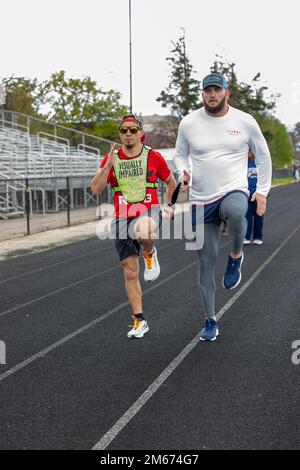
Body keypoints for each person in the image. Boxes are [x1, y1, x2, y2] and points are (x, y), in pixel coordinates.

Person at [174, 73, 272, 341]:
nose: (212, 95)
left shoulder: (244, 121)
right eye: (207, 91)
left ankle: (237, 256)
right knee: (205, 263)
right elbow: (180, 154)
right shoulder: (189, 122)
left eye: (217, 90)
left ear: (227, 92)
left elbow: (263, 156)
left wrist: (261, 191)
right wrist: (182, 171)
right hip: (200, 198)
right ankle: (210, 319)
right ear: (202, 94)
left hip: (234, 188)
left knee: (237, 210)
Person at [91, 114, 176, 339]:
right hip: (121, 216)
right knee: (130, 272)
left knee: (144, 230)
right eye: (123, 130)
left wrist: (169, 205)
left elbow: (171, 182)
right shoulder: (112, 158)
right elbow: (96, 190)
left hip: (148, 210)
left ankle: (150, 252)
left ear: (141, 134)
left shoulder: (153, 156)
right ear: (120, 134)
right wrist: (107, 164)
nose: (128, 133)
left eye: (132, 130)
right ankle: (140, 320)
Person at [243, 150, 265, 245]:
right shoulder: (243, 165)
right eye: (248, 152)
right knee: (247, 217)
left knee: (259, 216)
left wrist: (264, 192)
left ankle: (258, 237)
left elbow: (264, 179)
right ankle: (246, 237)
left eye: (250, 152)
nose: (249, 154)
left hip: (258, 194)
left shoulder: (259, 164)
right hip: (247, 194)